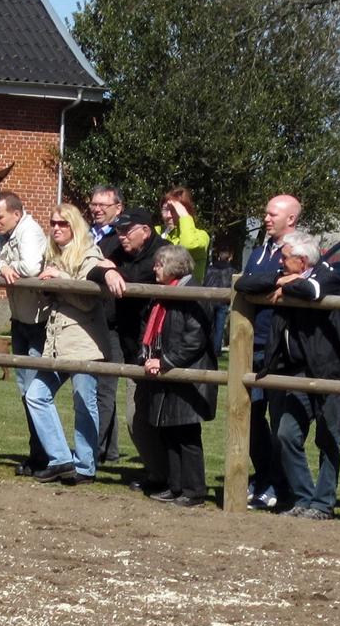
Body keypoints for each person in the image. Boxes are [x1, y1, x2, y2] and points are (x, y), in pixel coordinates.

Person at [235, 230, 340, 520]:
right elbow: (244, 283)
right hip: (296, 371)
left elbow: (313, 291)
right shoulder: (285, 273)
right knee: (286, 434)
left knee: (328, 437)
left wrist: (290, 285)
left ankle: (323, 504)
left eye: (285, 258)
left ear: (302, 261)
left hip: (332, 370)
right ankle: (304, 497)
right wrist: (282, 280)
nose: (279, 262)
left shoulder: (328, 276)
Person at [24, 203, 109, 484]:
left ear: (75, 226)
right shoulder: (52, 255)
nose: (56, 228)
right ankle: (61, 459)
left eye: (63, 224)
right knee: (36, 395)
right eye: (53, 223)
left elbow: (88, 301)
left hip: (85, 342)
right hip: (56, 342)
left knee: (84, 403)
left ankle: (85, 466)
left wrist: (60, 279)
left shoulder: (89, 253)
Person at [134, 244, 218, 506]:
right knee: (169, 431)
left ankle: (194, 491)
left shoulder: (192, 292)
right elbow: (148, 327)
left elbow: (195, 339)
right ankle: (176, 485)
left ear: (174, 266)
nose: (154, 269)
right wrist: (148, 357)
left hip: (188, 375)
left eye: (159, 264)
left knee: (186, 434)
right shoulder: (163, 293)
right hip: (167, 371)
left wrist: (166, 362)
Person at [88, 205, 166, 476]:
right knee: (135, 415)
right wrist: (107, 272)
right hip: (130, 341)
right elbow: (93, 271)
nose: (120, 237)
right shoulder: (122, 252)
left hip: (159, 345)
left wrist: (114, 271)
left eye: (126, 231)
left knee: (147, 416)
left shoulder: (162, 251)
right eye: (118, 231)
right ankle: (156, 473)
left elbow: (143, 277)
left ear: (145, 231)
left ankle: (163, 475)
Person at [239, 193, 301, 510]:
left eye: (272, 214)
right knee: (249, 416)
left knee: (279, 421)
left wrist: (276, 281)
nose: (266, 218)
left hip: (280, 348)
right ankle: (263, 476)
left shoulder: (299, 250)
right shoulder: (260, 251)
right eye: (266, 213)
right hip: (251, 344)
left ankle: (279, 484)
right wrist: (277, 278)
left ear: (291, 218)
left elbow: (304, 282)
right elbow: (245, 283)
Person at [0, 189, 49, 475]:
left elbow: (31, 267)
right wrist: (2, 266)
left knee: (35, 392)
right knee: (25, 390)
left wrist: (8, 266)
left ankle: (44, 456)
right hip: (20, 320)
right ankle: (39, 453)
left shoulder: (29, 232)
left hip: (38, 323)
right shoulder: (3, 237)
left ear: (17, 214)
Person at [88, 185, 125, 464]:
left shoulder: (121, 237)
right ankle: (109, 450)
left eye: (104, 205)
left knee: (104, 388)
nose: (97, 209)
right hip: (89, 317)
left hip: (113, 321)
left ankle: (93, 450)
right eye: (94, 204)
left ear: (118, 208)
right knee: (95, 386)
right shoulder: (86, 234)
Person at [156, 186, 210, 282]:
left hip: (187, 290)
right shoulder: (158, 231)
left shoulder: (201, 236)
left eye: (174, 210)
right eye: (165, 210)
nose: (168, 215)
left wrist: (185, 216)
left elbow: (188, 246)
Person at [202, 245, 235, 357]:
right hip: (223, 300)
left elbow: (206, 282)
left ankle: (207, 348)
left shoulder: (211, 268)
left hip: (211, 299)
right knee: (219, 327)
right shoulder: (232, 270)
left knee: (209, 325)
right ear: (229, 257)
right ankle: (216, 350)